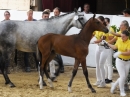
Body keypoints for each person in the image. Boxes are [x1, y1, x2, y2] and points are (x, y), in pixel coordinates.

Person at [103, 30, 130, 97]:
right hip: (119, 61)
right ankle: (122, 91)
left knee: (123, 77)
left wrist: (120, 52)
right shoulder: (119, 40)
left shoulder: (129, 42)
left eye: (123, 37)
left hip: (127, 62)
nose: (122, 38)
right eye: (121, 36)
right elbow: (115, 47)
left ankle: (114, 85)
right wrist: (107, 43)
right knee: (123, 76)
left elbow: (129, 53)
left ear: (127, 37)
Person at [90, 16, 109, 87]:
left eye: (98, 21)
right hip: (98, 47)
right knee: (97, 64)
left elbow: (102, 39)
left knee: (101, 64)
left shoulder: (105, 29)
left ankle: (103, 81)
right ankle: (98, 80)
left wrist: (91, 42)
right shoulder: (97, 29)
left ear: (102, 21)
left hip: (105, 48)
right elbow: (91, 35)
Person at [104, 17, 114, 83]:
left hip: (109, 47)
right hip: (104, 46)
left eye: (106, 22)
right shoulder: (104, 28)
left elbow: (111, 38)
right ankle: (105, 77)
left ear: (108, 22)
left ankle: (110, 78)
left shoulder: (110, 28)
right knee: (105, 64)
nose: (105, 23)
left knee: (109, 64)